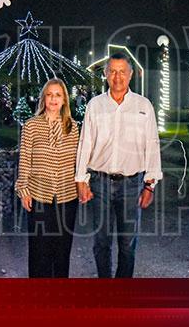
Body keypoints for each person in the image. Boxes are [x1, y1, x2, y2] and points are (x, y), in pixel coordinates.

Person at [76, 52, 162, 278]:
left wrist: (150, 185)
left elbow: (152, 146)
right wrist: (81, 180)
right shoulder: (95, 105)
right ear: (105, 74)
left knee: (127, 244)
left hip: (132, 184)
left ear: (131, 74)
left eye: (122, 71)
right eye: (112, 71)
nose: (117, 77)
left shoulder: (144, 106)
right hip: (100, 183)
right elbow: (85, 143)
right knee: (101, 242)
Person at [15, 78, 81, 278]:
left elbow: (79, 162)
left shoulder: (73, 127)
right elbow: (25, 159)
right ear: (44, 98)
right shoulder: (31, 126)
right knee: (39, 251)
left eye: (58, 95)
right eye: (50, 94)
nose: (53, 99)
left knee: (62, 251)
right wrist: (23, 189)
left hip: (67, 197)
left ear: (64, 100)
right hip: (39, 197)